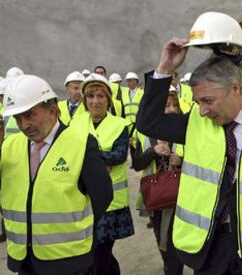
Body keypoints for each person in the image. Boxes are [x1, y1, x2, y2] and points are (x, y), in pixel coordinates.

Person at [136, 11, 242, 275]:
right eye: (198, 102)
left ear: (235, 89)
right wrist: (164, 70)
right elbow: (148, 123)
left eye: (208, 101)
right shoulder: (196, 121)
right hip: (208, 249)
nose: (202, 110)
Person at [0, 74, 113, 275]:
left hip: (69, 261)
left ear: (52, 111)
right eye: (18, 118)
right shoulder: (9, 146)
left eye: (29, 116)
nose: (23, 125)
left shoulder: (82, 143)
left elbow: (103, 196)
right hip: (25, 260)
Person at [71, 73, 135, 275]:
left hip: (111, 203)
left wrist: (88, 160)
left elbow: (118, 155)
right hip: (83, 200)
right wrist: (98, 162)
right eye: (90, 97)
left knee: (102, 251)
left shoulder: (119, 125)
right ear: (85, 100)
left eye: (100, 96)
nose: (95, 101)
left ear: (108, 99)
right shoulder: (76, 123)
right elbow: (69, 152)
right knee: (93, 251)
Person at [132, 89, 185, 275]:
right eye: (166, 106)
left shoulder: (187, 132)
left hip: (181, 197)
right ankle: (168, 265)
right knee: (159, 238)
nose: (171, 110)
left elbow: (202, 164)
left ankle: (173, 269)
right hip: (155, 197)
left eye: (174, 106)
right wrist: (152, 151)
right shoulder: (142, 133)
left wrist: (181, 162)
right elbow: (137, 164)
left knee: (174, 241)